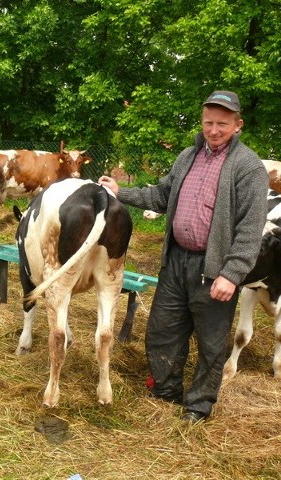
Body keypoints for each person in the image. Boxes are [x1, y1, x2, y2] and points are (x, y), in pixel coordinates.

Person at [99, 90, 268, 423]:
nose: (214, 129)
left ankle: (198, 405)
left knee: (211, 343)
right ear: (202, 121)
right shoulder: (188, 156)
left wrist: (232, 274)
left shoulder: (248, 167)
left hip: (214, 267)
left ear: (237, 125)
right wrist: (122, 192)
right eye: (209, 122)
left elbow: (251, 228)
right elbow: (162, 195)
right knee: (163, 330)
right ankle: (166, 388)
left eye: (223, 123)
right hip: (176, 261)